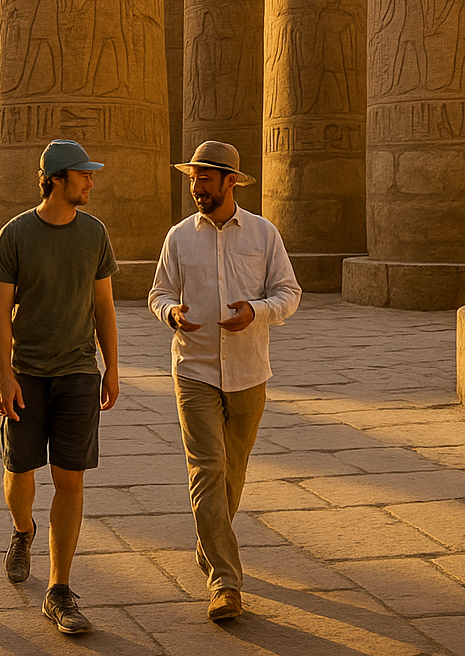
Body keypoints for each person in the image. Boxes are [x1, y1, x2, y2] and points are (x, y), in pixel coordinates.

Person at [148, 142, 301, 622]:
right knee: (207, 471)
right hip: (192, 369)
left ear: (230, 181)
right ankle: (225, 582)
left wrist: (257, 311)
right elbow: (159, 292)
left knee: (233, 472)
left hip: (249, 371)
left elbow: (289, 292)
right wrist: (170, 312)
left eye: (205, 180)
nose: (196, 188)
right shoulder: (178, 237)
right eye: (193, 179)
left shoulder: (263, 234)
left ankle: (209, 543)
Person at [0, 140, 120, 634]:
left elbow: (103, 305)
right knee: (21, 472)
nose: (91, 182)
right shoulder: (16, 233)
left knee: (70, 478)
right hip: (27, 373)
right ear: (57, 179)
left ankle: (58, 588)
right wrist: (4, 376)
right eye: (84, 175)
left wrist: (112, 366)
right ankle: (23, 529)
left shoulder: (94, 234)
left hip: (79, 373)